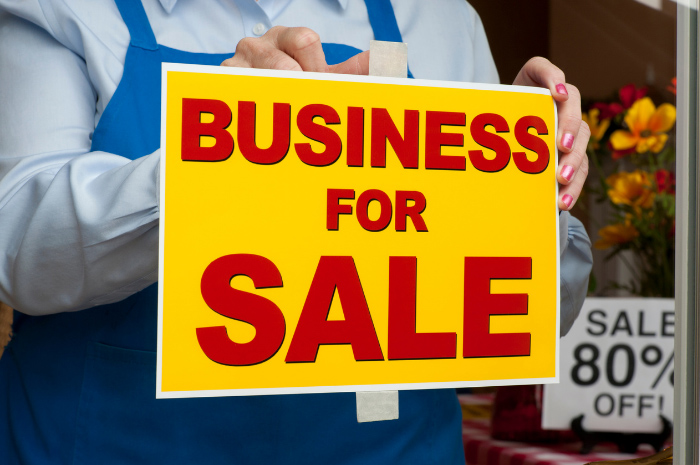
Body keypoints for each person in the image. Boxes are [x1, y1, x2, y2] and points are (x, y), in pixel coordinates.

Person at [0, 0, 593, 463]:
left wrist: (521, 199)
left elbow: (533, 316)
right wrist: (222, 158)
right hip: (107, 444)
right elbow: (19, 246)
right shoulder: (67, 10)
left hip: (389, 451)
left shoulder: (442, 19)